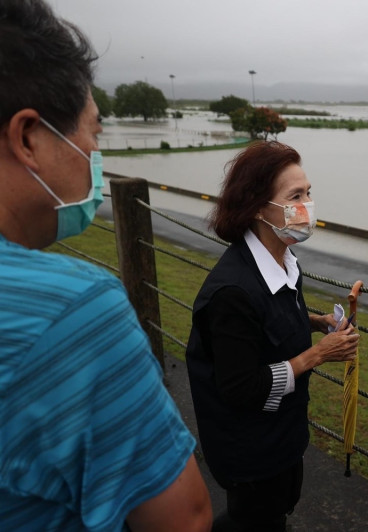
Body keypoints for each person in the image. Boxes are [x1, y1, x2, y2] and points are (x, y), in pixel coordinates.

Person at [0, 1, 212, 530]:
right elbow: (183, 519)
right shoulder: (75, 314)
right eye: (92, 132)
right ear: (28, 137)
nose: (95, 152)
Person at [185, 140, 361, 531]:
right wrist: (319, 354)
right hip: (249, 448)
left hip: (283, 433)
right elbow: (241, 388)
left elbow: (272, 321)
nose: (307, 204)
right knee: (257, 516)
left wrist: (315, 322)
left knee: (275, 509)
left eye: (309, 192)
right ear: (258, 207)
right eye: (295, 195)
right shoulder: (232, 293)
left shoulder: (285, 259)